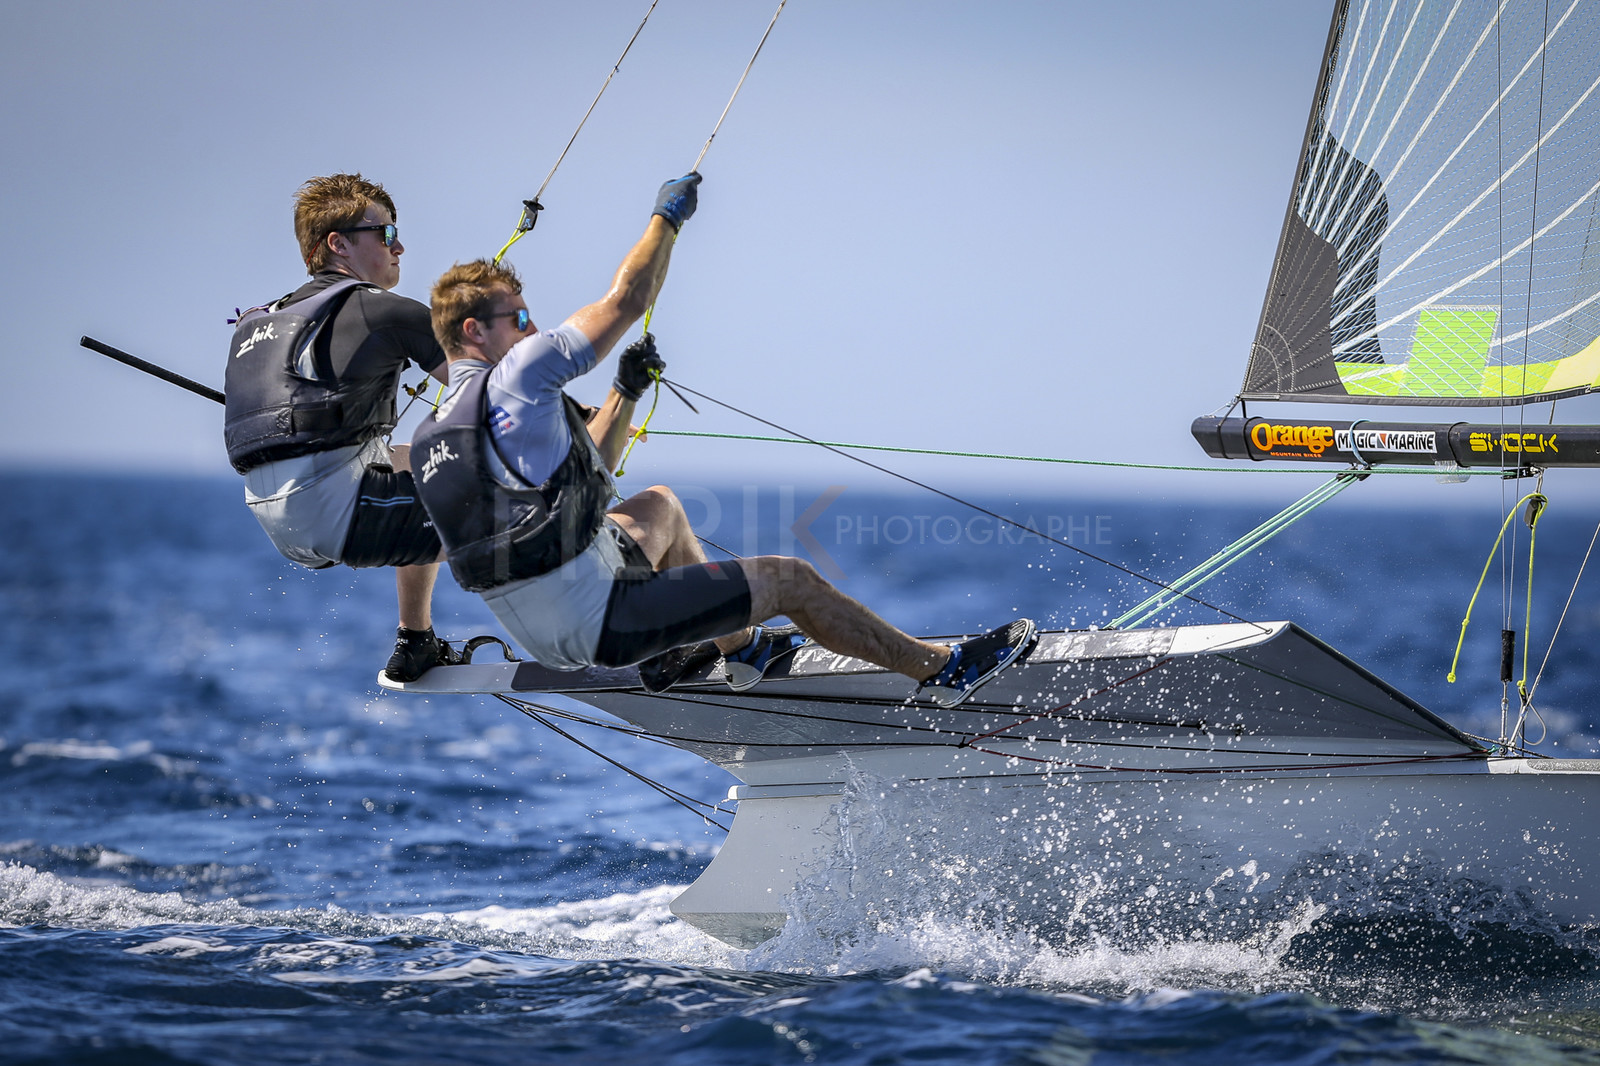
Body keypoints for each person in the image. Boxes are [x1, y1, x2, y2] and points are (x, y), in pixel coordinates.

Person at [412, 173, 1036, 706]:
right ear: (474, 332)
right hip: (599, 616)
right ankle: (944, 670)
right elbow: (626, 299)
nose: (533, 327)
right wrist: (666, 219)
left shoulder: (434, 437)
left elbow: (585, 493)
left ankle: (738, 649)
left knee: (658, 506)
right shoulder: (516, 376)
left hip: (550, 622)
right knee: (789, 579)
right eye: (519, 318)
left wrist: (624, 392)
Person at [224, 173, 457, 683]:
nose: (400, 247)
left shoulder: (262, 323)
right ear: (339, 244)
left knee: (413, 457)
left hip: (281, 521)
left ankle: (414, 639)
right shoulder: (385, 312)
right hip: (339, 511)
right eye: (387, 234)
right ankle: (632, 637)